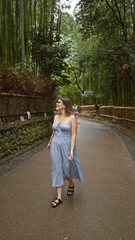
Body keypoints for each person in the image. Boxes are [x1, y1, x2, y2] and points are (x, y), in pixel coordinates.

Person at [47, 98, 84, 208]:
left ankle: (71, 184)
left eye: (59, 102)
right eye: (57, 102)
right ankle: (59, 197)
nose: (57, 104)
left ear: (65, 105)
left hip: (66, 145)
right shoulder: (55, 117)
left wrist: (72, 150)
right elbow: (54, 132)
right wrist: (49, 143)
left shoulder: (72, 118)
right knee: (56, 168)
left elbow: (73, 135)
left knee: (67, 167)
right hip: (55, 145)